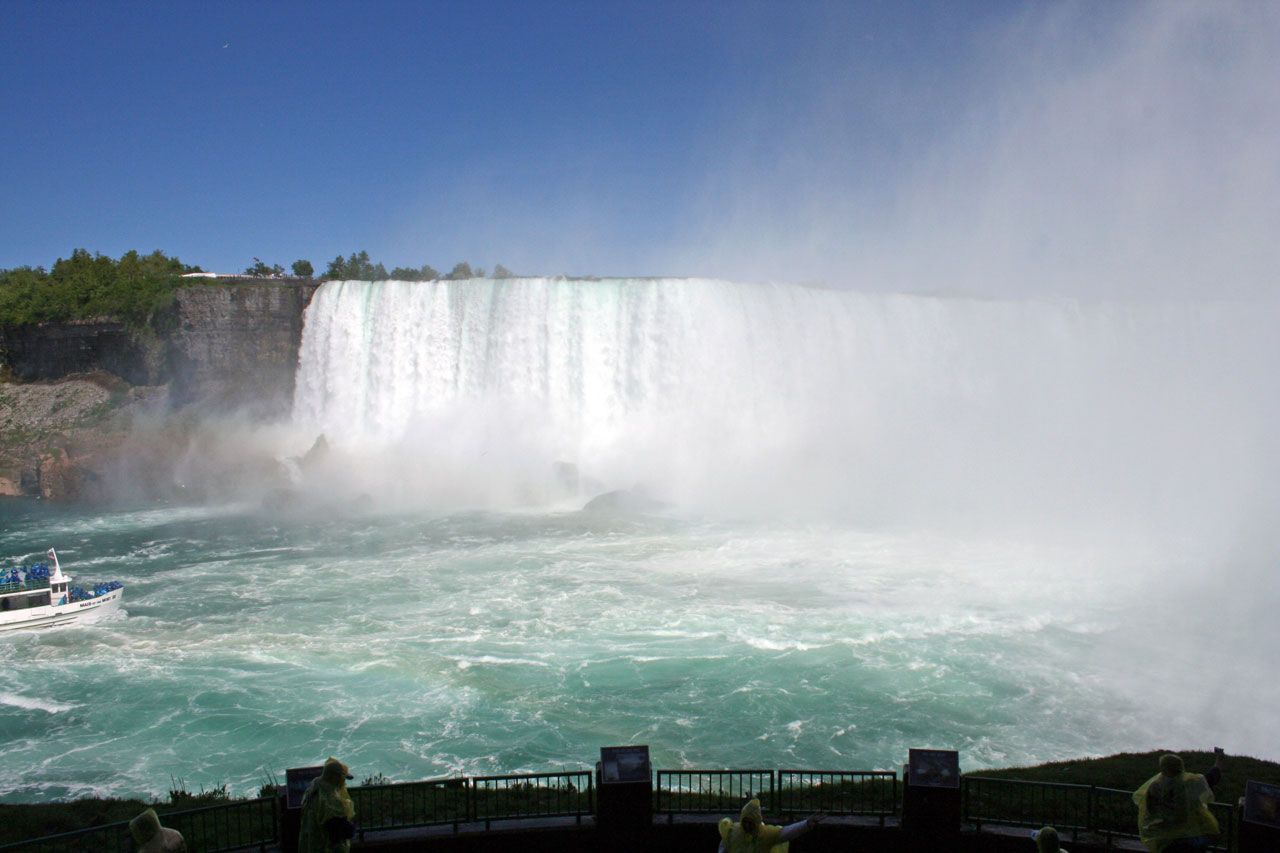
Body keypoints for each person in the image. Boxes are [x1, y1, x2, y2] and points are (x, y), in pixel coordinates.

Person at [1132, 752, 1225, 852]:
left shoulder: (1154, 786)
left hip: (1164, 838)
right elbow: (1212, 777)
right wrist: (1219, 760)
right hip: (1190, 836)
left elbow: (1150, 809)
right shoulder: (1190, 783)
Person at [717, 797, 823, 853]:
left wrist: (806, 824)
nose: (747, 826)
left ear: (757, 822)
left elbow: (788, 832)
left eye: (751, 823)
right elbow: (723, 847)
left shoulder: (766, 835)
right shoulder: (732, 831)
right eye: (745, 822)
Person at [298, 756, 357, 853]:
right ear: (336, 778)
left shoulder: (315, 787)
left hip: (310, 842)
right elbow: (339, 833)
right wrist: (351, 827)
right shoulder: (332, 801)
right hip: (325, 848)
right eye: (342, 778)